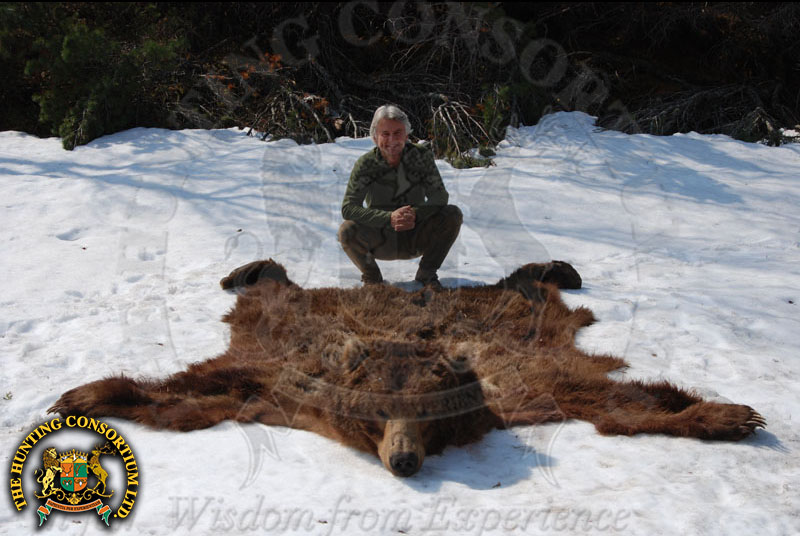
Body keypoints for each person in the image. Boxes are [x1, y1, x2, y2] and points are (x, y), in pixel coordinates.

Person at [338, 105, 462, 289]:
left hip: (416, 234)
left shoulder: (421, 156)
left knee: (452, 214)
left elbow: (439, 195)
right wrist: (389, 218)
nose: (392, 140)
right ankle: (372, 278)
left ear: (406, 134)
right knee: (347, 231)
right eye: (385, 134)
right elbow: (348, 208)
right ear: (375, 136)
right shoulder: (365, 164)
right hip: (381, 239)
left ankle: (427, 274)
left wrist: (415, 214)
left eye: (398, 133)